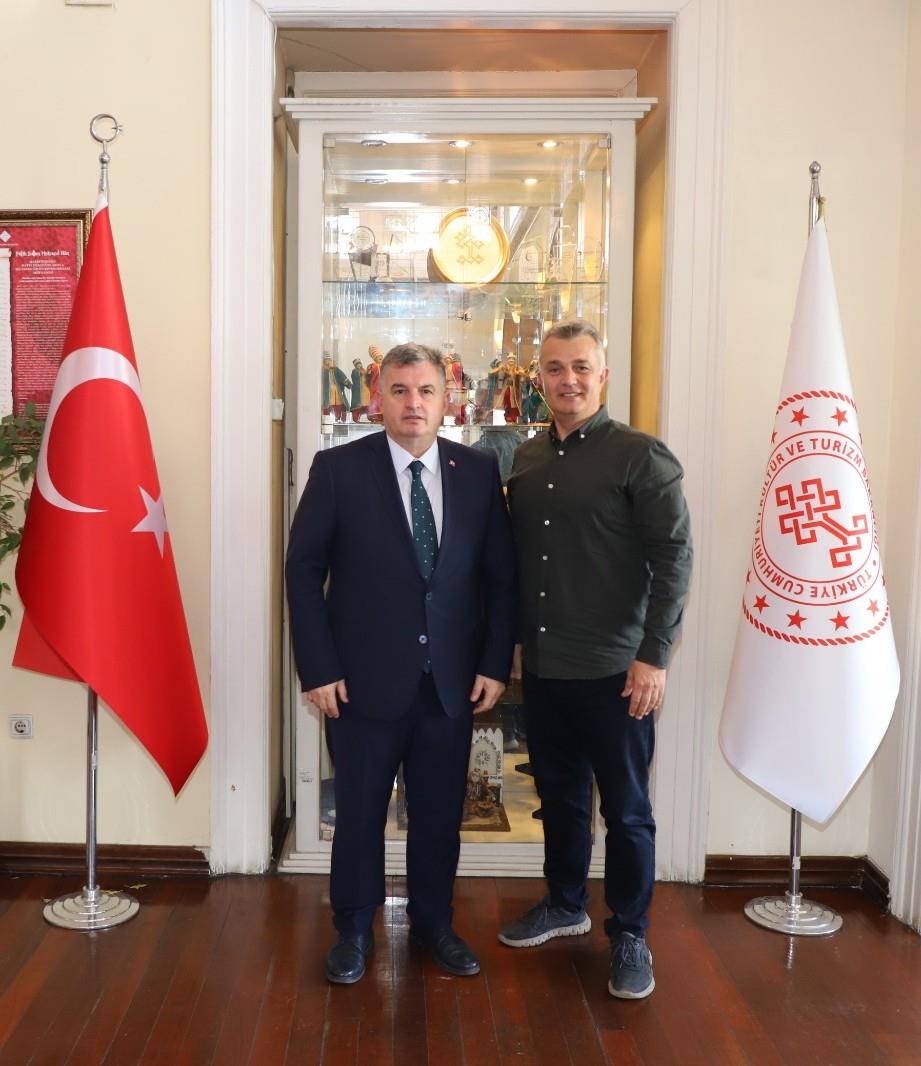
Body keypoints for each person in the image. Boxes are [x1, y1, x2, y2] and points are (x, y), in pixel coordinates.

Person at [286, 342, 516, 985]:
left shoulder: (477, 471)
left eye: (426, 391)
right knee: (359, 812)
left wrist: (494, 662)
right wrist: (318, 668)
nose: (414, 403)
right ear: (377, 399)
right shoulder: (338, 469)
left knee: (439, 816)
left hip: (451, 683)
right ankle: (354, 930)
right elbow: (303, 571)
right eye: (400, 390)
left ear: (446, 401)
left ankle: (434, 925)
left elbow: (501, 578)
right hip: (360, 684)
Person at [501, 319, 692, 1001]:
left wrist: (654, 656)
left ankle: (630, 933)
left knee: (627, 811)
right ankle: (564, 904)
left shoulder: (641, 456)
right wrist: (516, 642)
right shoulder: (525, 459)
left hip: (618, 672)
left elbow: (674, 559)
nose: (568, 380)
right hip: (544, 667)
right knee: (557, 798)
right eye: (555, 368)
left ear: (602, 375)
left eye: (581, 367)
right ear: (539, 379)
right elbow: (520, 563)